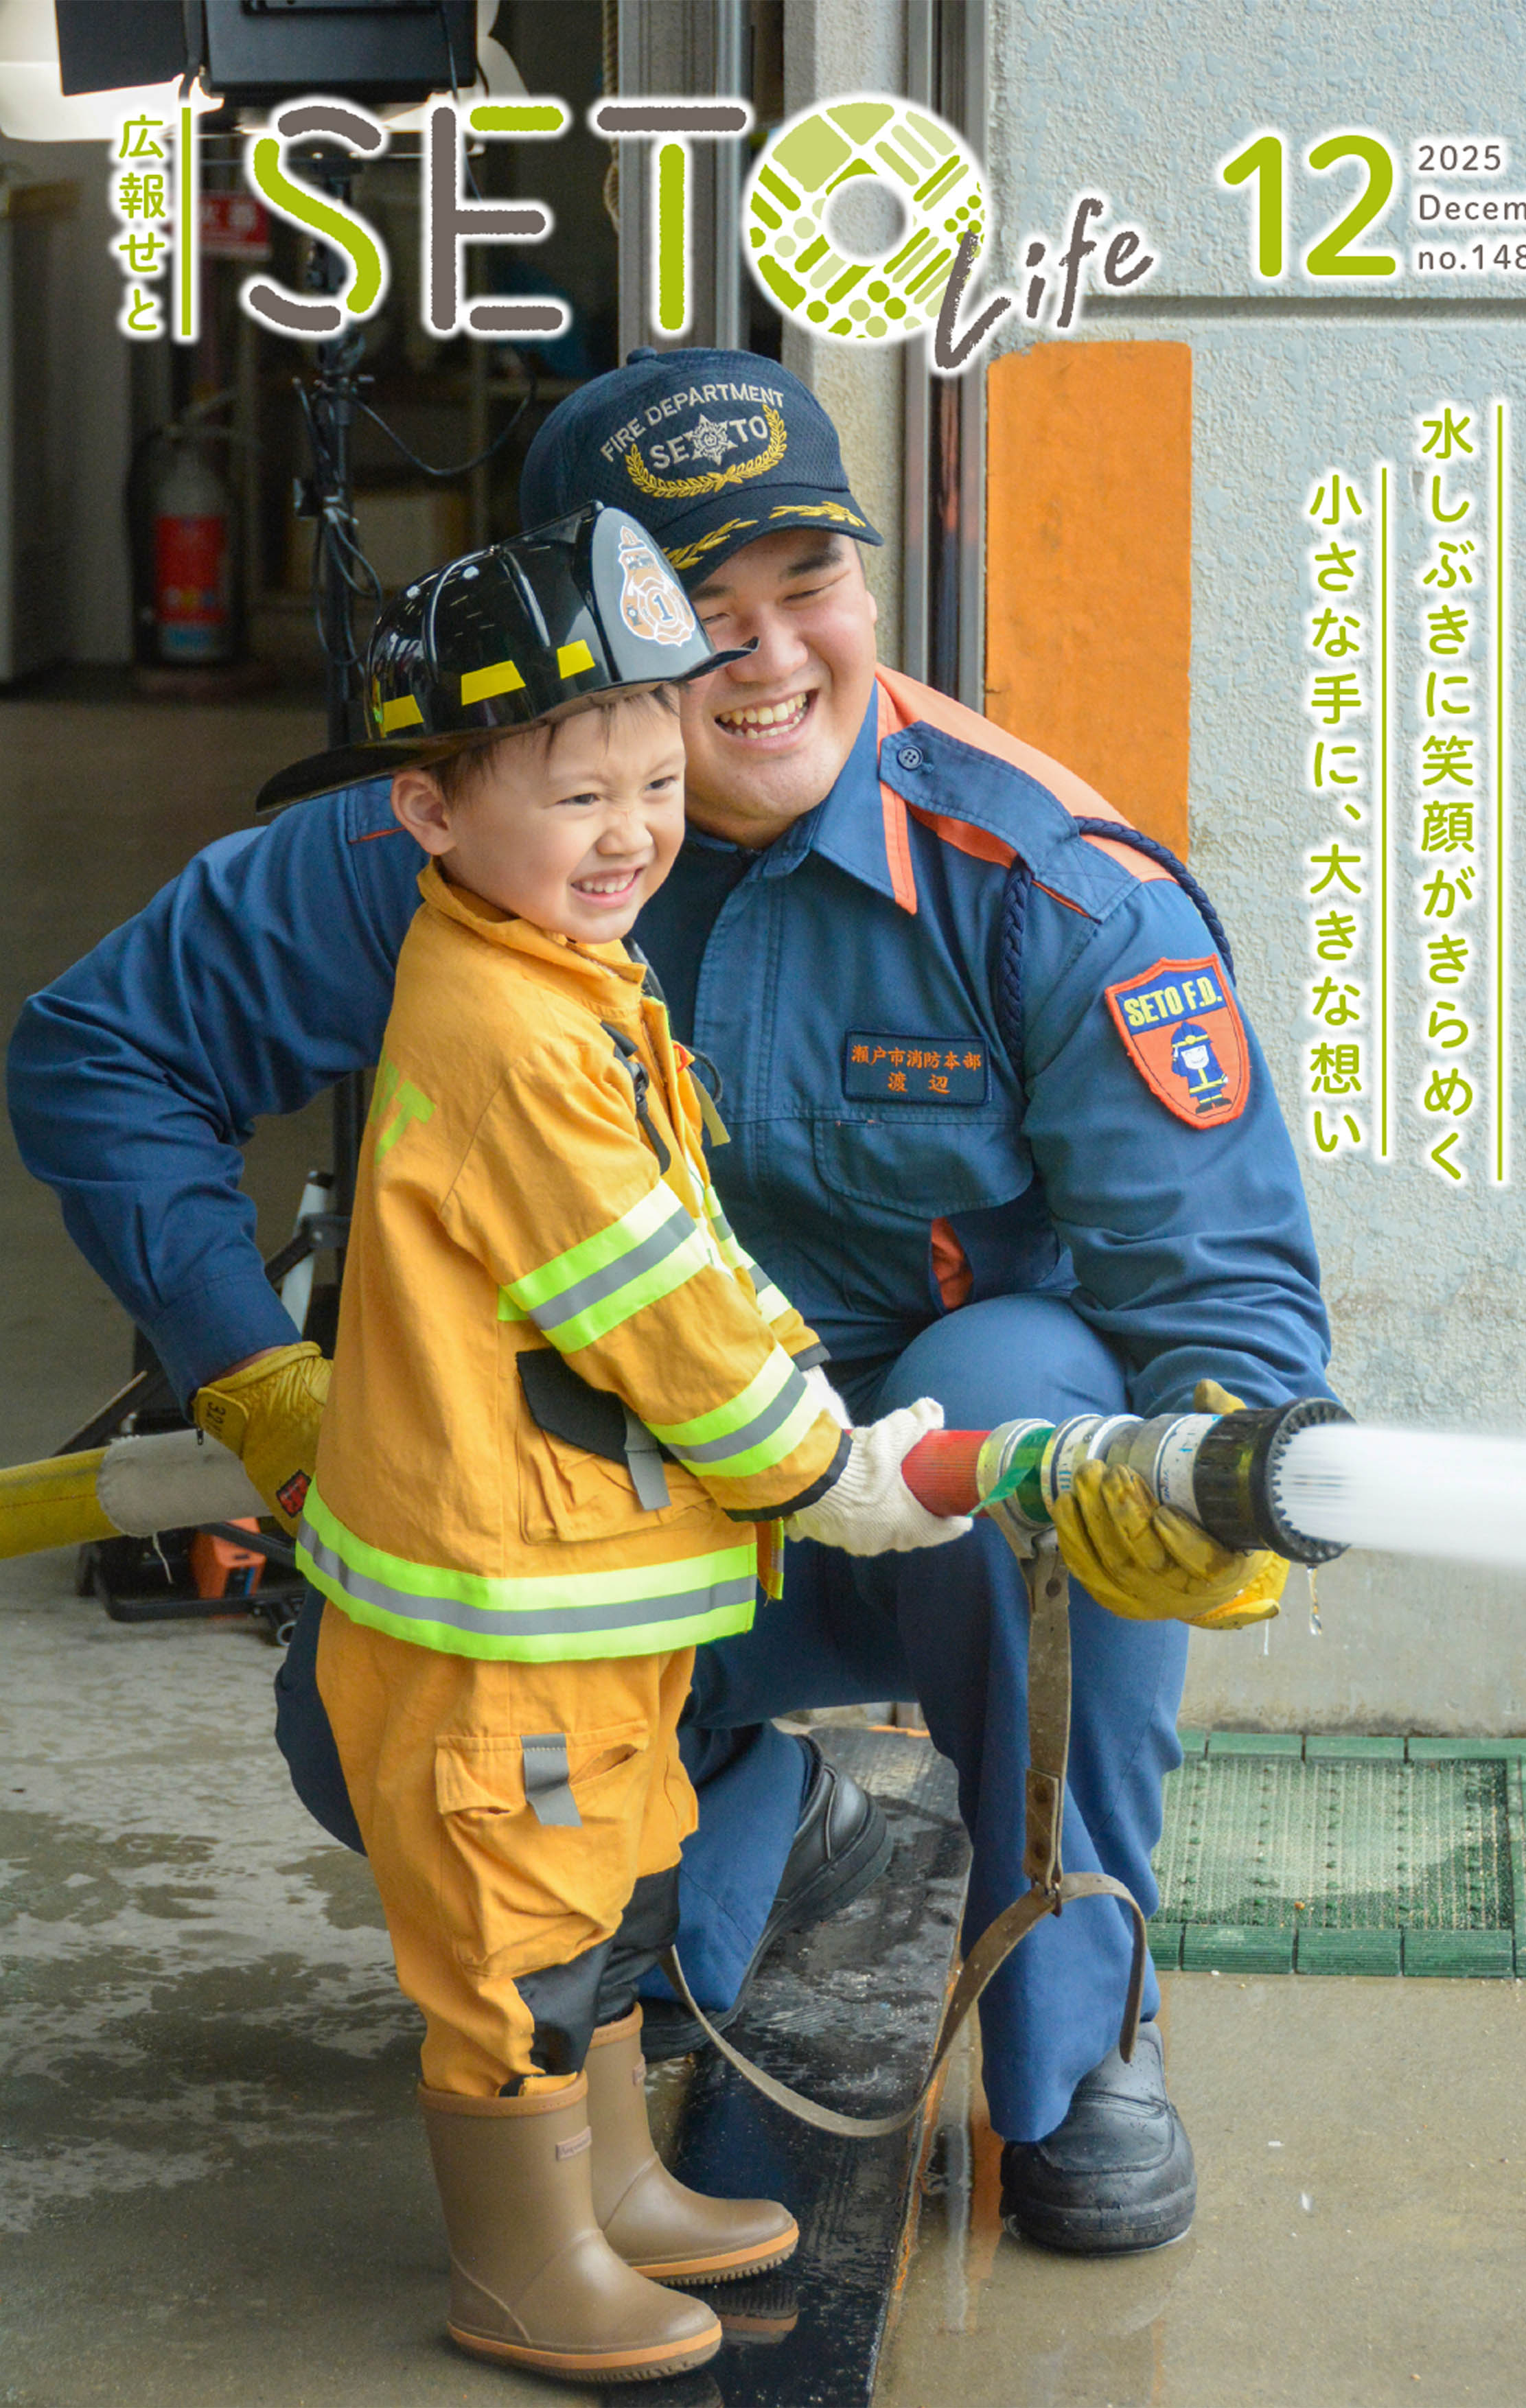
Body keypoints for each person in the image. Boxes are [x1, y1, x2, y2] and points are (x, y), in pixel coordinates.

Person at [8, 346, 1333, 2257]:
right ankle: (745, 1839)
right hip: (598, 1534)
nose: (771, 653)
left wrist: (1205, 1466)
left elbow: (1213, 1280)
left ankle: (1073, 2029)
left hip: (913, 1496)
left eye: (809, 583)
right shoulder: (447, 842)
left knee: (1044, 1381)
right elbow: (100, 1052)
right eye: (700, 614)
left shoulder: (1040, 884)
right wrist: (258, 1376)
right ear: (586, 640)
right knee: (364, 1731)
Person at [260, 506, 968, 2382]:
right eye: (580, 795)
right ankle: (520, 2260)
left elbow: (694, 1245)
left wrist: (808, 1400)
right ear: (431, 808)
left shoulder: (570, 973)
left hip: (582, 1593)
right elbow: (650, 1298)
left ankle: (613, 2190)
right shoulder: (507, 1021)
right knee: (516, 1946)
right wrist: (828, 1469)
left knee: (610, 1892)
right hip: (491, 1617)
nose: (636, 833)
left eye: (658, 784)